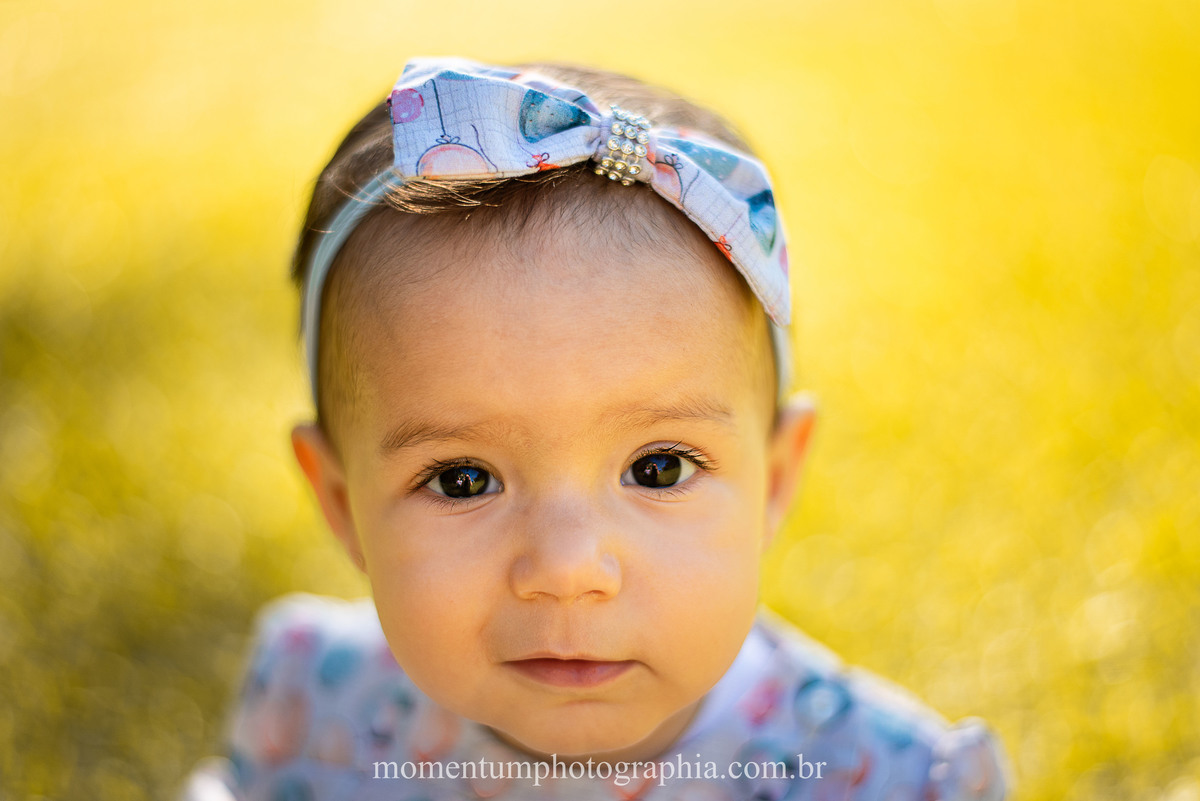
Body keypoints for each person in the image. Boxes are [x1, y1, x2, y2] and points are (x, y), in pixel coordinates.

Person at [179, 56, 1010, 801]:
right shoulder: (321, 711)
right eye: (463, 478)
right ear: (339, 499)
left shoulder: (872, 777)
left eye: (658, 468)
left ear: (776, 476)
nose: (568, 569)